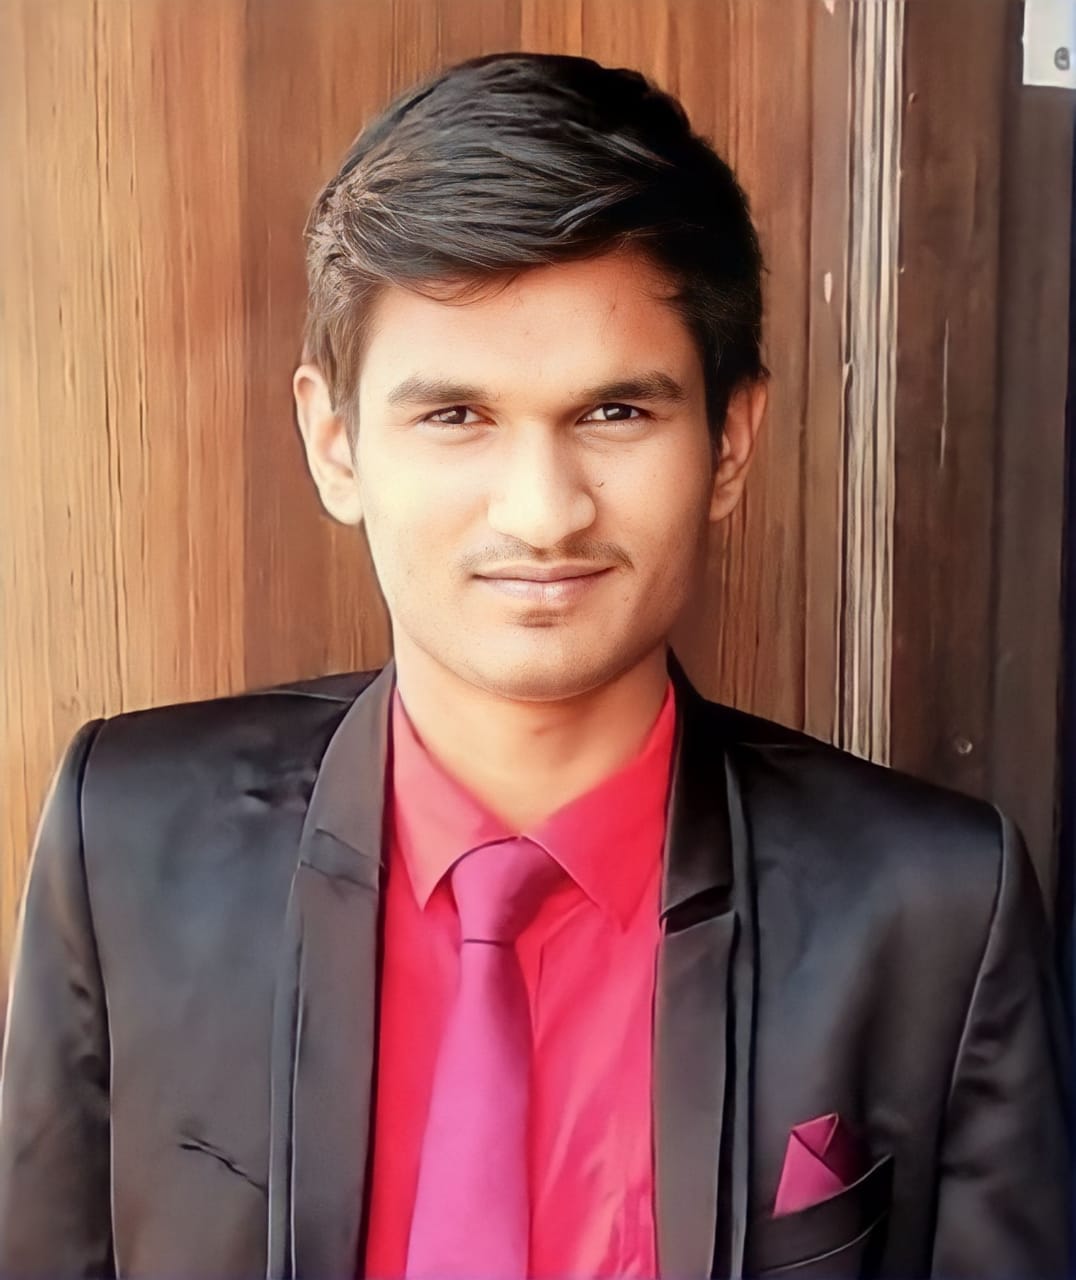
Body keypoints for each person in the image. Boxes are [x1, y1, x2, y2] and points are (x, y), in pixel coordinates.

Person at [0, 52, 1069, 1280]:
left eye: (614, 413)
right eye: (454, 415)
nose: (542, 511)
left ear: (728, 439)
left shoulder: (931, 910)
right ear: (334, 443)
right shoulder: (128, 840)